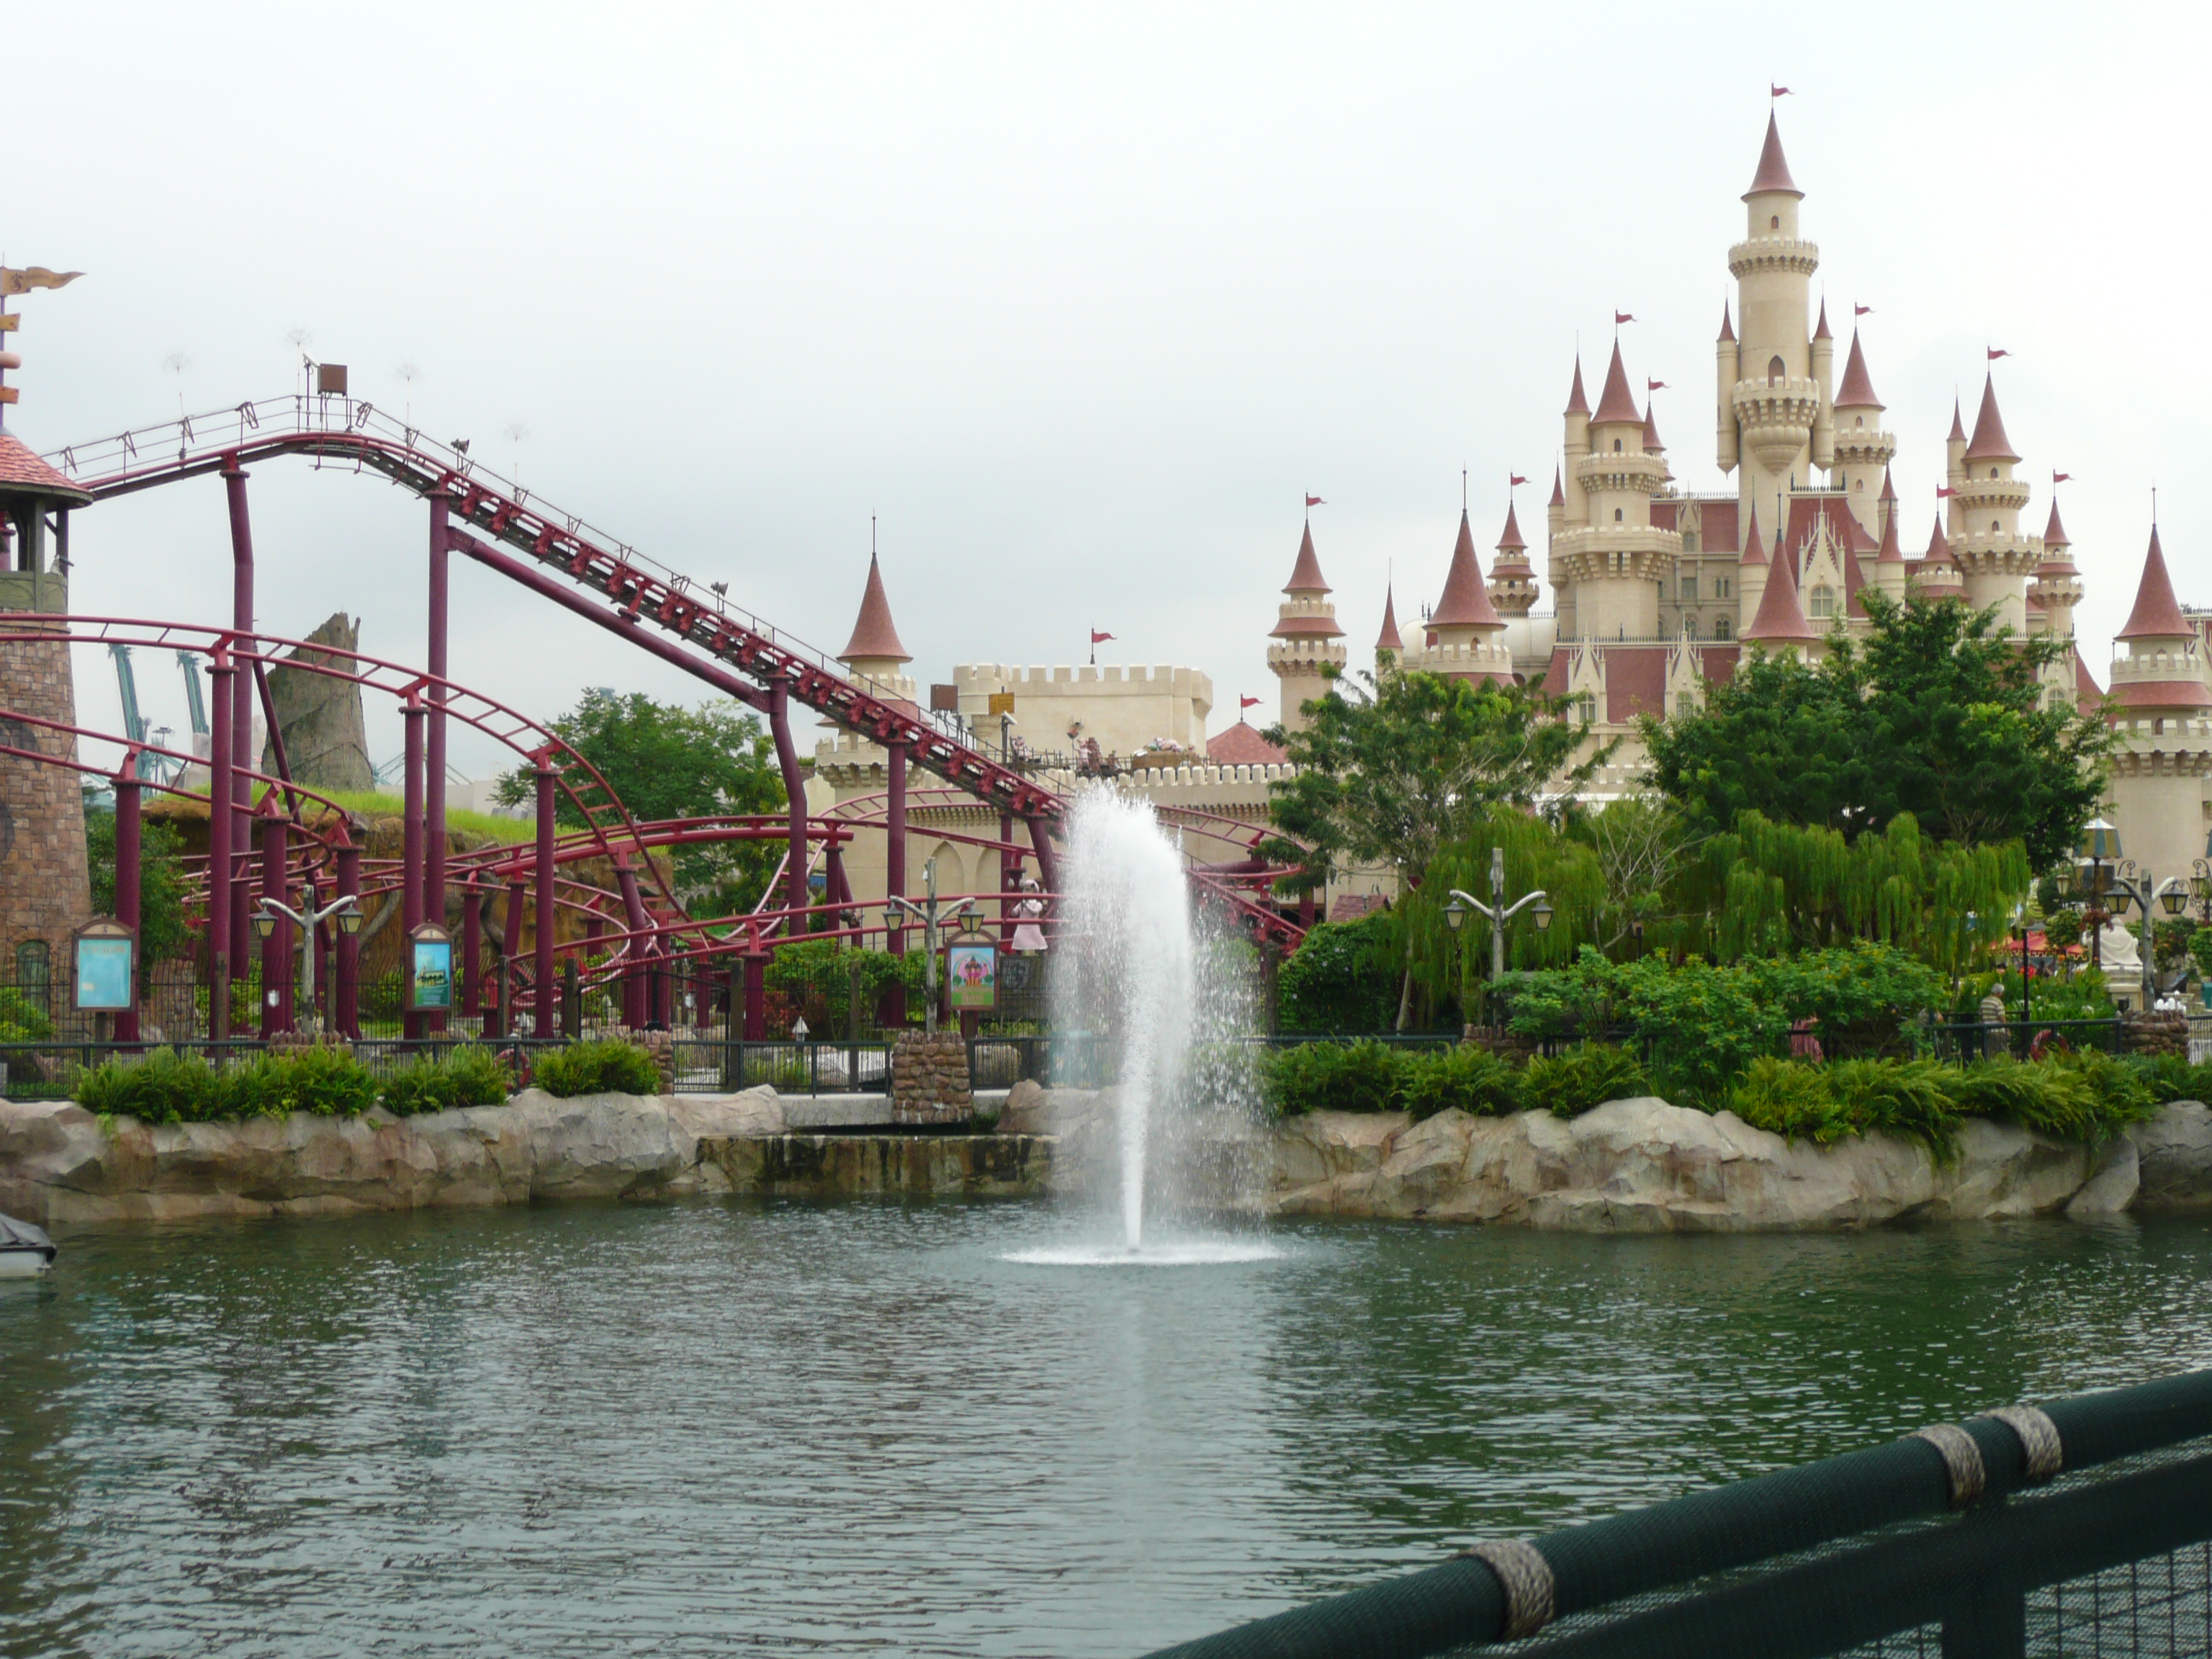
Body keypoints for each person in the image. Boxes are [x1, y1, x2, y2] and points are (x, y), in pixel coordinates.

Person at [1012, 877, 1048, 954]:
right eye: (1025, 890)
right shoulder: (1021, 903)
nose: (1026, 892)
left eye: (1029, 890)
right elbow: (1014, 913)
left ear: (1035, 892)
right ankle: (1019, 956)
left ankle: (1041, 955)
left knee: (1039, 942)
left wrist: (1027, 906)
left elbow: (1034, 912)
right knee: (1018, 940)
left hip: (1033, 927)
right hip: (1022, 927)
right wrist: (1010, 908)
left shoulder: (1038, 904)